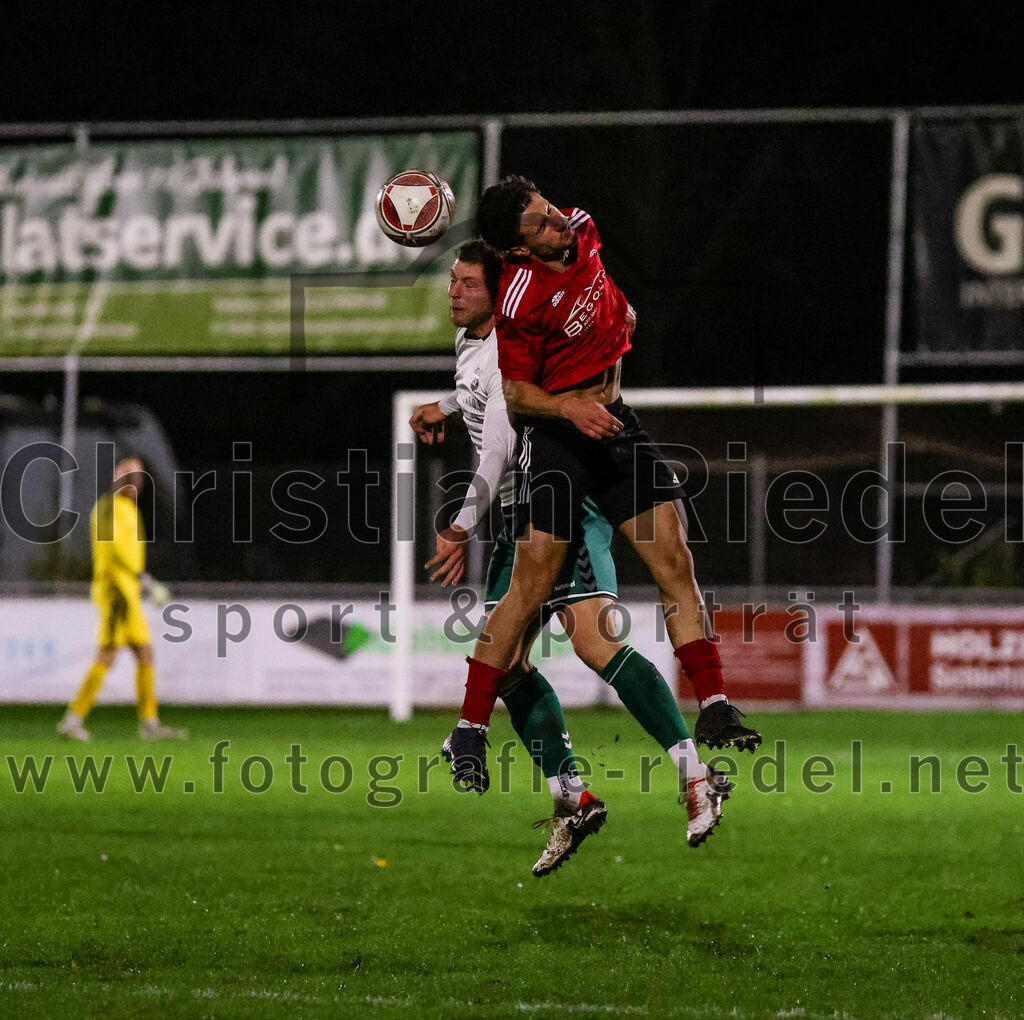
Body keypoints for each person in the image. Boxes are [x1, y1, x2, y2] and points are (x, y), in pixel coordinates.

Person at [441, 177, 762, 830]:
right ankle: (475, 731)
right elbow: (521, 398)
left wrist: (623, 327)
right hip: (563, 445)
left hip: (617, 427)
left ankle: (716, 703)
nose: (556, 220)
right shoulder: (522, 303)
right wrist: (569, 407)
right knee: (536, 602)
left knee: (676, 563)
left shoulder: (584, 227)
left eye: (550, 208)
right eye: (538, 221)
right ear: (520, 250)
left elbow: (610, 299)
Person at [57, 457, 187, 742]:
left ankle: (149, 723)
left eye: (139, 477)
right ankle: (73, 718)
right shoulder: (107, 507)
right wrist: (144, 579)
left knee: (144, 653)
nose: (136, 482)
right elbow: (113, 549)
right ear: (117, 478)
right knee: (109, 652)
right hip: (115, 591)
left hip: (129, 591)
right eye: (130, 475)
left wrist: (140, 581)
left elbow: (130, 551)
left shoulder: (129, 509)